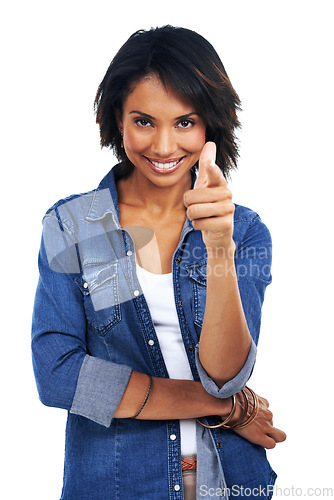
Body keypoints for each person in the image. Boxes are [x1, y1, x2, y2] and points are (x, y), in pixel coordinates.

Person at [31, 25, 286, 500]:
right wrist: (226, 409)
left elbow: (226, 375)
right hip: (115, 485)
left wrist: (217, 247)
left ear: (211, 124)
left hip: (228, 481)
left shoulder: (244, 232)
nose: (164, 147)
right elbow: (58, 375)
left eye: (184, 122)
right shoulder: (77, 226)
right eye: (144, 121)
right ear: (117, 122)